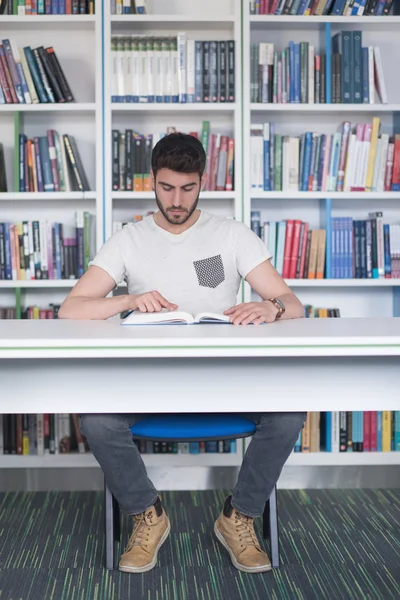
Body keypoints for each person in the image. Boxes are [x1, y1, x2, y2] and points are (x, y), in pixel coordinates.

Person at [59, 133, 306, 575]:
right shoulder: (129, 239)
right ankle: (146, 513)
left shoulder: (231, 235)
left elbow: (293, 301)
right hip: (148, 380)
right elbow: (71, 308)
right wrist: (127, 301)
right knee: (96, 421)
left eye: (187, 188)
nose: (176, 200)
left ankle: (240, 517)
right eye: (167, 187)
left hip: (224, 379)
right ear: (152, 181)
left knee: (289, 414)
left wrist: (270, 306)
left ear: (202, 182)